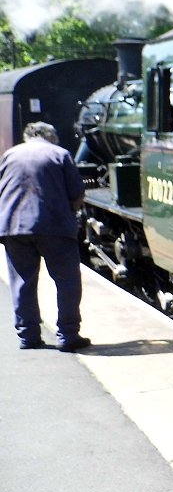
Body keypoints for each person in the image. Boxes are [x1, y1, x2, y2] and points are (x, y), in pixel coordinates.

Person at [0, 122, 90, 351]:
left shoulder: (9, 154)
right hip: (54, 226)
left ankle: (28, 336)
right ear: (51, 136)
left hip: (14, 227)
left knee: (22, 282)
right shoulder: (60, 154)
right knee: (67, 281)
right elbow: (77, 193)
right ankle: (68, 335)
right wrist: (73, 212)